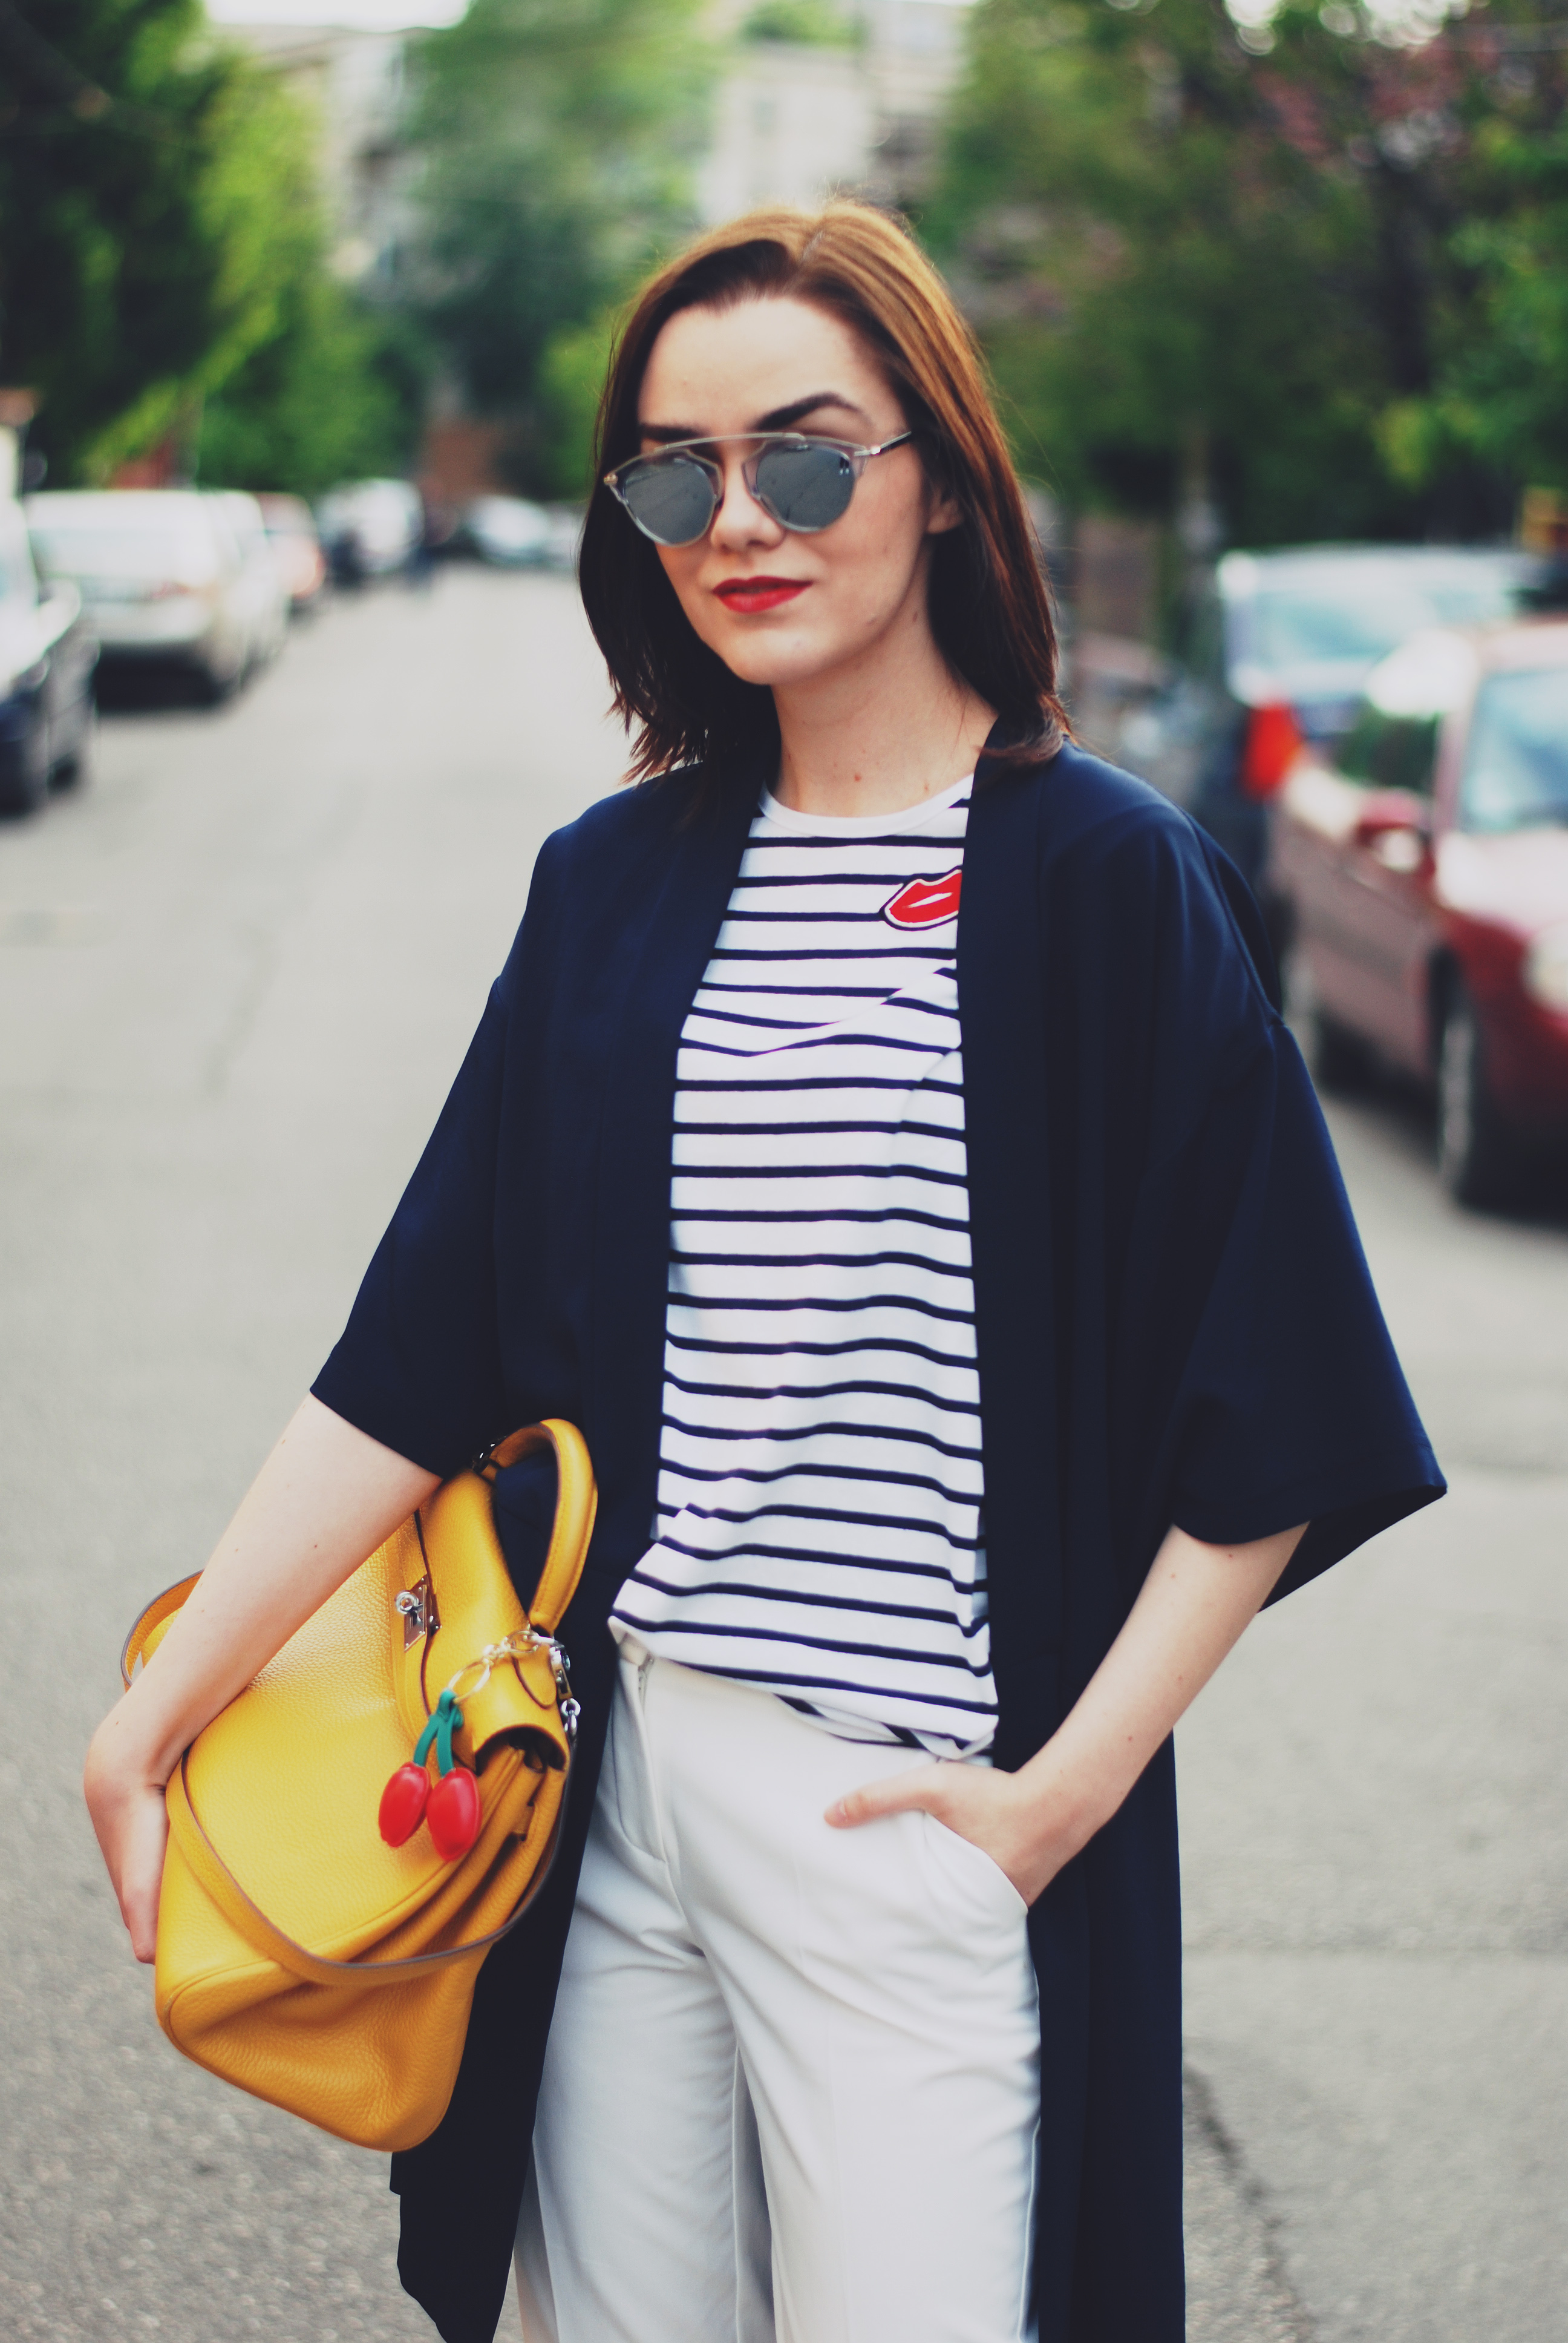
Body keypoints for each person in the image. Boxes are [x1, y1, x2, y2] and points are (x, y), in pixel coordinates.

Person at [84, 204, 1443, 2343]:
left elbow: (1277, 1399)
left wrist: (1045, 1809)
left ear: (939, 475)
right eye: (672, 472)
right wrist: (158, 1704)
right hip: (620, 1794)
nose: (738, 521)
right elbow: (423, 1343)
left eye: (804, 457)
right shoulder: (615, 883)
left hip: (907, 1809)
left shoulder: (1108, 885)